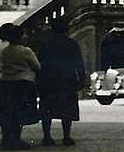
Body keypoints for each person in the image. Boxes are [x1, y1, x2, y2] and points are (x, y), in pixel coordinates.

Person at [0, 23, 40, 150]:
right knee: (19, 113)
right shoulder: (26, 51)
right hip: (22, 83)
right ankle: (16, 139)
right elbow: (37, 67)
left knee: (6, 113)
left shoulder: (3, 50)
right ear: (20, 37)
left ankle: (6, 138)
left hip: (5, 82)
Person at [36, 18, 86, 147]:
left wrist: (38, 80)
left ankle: (47, 136)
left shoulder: (45, 43)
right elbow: (79, 64)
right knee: (67, 109)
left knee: (47, 109)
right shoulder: (72, 43)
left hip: (48, 80)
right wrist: (81, 79)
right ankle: (66, 136)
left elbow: (39, 63)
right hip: (67, 80)